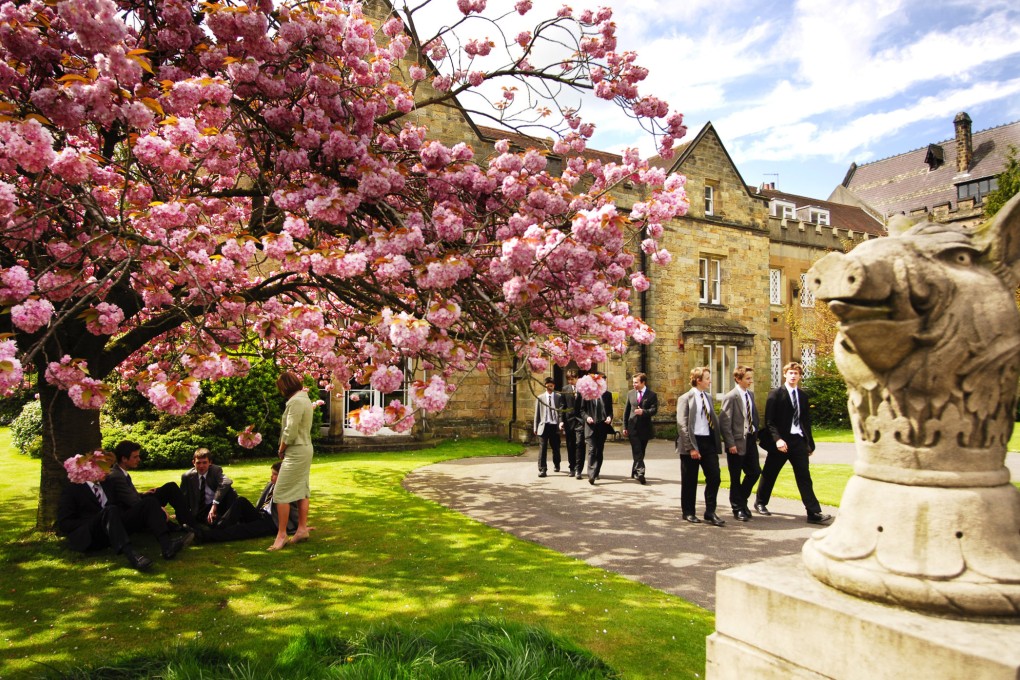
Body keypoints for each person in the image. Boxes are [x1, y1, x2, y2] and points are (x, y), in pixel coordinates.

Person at [755, 362, 833, 525]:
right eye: (790, 373)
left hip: (798, 441)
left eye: (796, 373)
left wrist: (809, 444)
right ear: (785, 374)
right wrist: (778, 440)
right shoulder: (775, 394)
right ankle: (760, 502)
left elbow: (806, 422)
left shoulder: (803, 396)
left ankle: (813, 513)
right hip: (781, 442)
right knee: (770, 473)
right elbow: (769, 421)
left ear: (799, 376)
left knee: (804, 476)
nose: (793, 376)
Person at [57, 464, 154, 572]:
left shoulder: (107, 485)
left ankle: (167, 544)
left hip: (110, 529)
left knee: (147, 502)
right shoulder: (72, 490)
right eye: (103, 469)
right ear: (91, 471)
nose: (108, 472)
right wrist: (96, 519)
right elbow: (64, 523)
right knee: (110, 510)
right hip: (90, 534)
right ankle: (132, 555)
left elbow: (120, 504)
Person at [199, 462, 299, 543]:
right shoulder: (271, 484)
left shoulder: (288, 489)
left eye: (275, 474)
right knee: (241, 501)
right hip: (261, 514)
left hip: (273, 522)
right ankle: (219, 526)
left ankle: (205, 536)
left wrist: (300, 526)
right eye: (272, 473)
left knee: (241, 529)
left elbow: (294, 510)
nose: (271, 477)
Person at [269, 370, 314, 551]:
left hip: (296, 450)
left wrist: (281, 448)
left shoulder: (295, 401)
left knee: (280, 493)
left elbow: (290, 430)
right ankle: (302, 529)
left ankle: (281, 535)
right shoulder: (304, 398)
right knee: (302, 489)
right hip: (305, 448)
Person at [677, 367, 725, 526]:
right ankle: (688, 512)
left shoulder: (708, 397)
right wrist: (691, 447)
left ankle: (710, 511)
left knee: (715, 477)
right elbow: (682, 425)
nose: (710, 381)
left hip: (707, 441)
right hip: (692, 441)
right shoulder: (685, 398)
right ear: (698, 380)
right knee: (689, 479)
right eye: (707, 378)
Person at [104, 440, 191, 528]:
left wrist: (143, 494)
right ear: (124, 459)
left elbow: (126, 495)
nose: (139, 460)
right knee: (160, 497)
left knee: (170, 488)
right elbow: (132, 502)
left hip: (137, 503)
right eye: (135, 457)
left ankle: (187, 522)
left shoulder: (121, 472)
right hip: (132, 512)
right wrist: (157, 508)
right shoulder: (117, 476)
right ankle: (187, 526)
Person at [719, 366, 762, 522]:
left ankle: (741, 500)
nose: (751, 381)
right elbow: (724, 423)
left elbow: (754, 416)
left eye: (751, 378)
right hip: (736, 442)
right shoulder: (731, 397)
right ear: (738, 379)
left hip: (750, 439)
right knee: (735, 477)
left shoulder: (750, 394)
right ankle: (737, 508)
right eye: (748, 378)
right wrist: (730, 443)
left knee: (755, 471)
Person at [180, 448, 238, 529]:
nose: (201, 466)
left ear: (210, 462)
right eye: (198, 463)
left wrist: (215, 504)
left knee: (229, 491)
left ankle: (232, 517)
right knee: (215, 524)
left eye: (204, 462)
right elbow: (183, 497)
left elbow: (227, 482)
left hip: (217, 505)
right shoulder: (187, 476)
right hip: (201, 510)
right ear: (193, 463)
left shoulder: (215, 470)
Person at [622, 372, 658, 484]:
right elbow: (626, 411)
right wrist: (624, 426)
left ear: (643, 382)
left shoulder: (652, 395)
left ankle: (635, 471)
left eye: (636, 382)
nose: (634, 384)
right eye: (633, 382)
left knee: (641, 450)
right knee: (637, 449)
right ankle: (641, 472)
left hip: (645, 427)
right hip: (632, 427)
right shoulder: (630, 393)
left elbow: (654, 410)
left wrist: (643, 412)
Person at [581, 372, 613, 485]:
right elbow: (582, 410)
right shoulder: (586, 394)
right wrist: (587, 417)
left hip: (602, 426)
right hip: (590, 427)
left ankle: (596, 471)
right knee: (592, 449)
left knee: (599, 450)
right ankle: (591, 474)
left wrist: (609, 417)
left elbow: (610, 411)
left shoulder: (607, 395)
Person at [533, 377, 562, 477]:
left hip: (554, 426)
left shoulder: (558, 397)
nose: (549, 387)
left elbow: (561, 412)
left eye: (551, 385)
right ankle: (542, 469)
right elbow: (537, 414)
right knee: (543, 448)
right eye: (547, 385)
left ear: (554, 386)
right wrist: (535, 428)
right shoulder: (540, 398)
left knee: (556, 448)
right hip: (543, 426)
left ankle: (557, 464)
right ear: (545, 386)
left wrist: (561, 423)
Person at [560, 370, 584, 479]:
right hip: (569, 421)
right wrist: (561, 421)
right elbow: (562, 406)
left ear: (577, 378)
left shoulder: (583, 389)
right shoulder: (565, 389)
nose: (570, 381)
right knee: (570, 445)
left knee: (580, 444)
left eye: (572, 379)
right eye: (568, 379)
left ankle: (579, 469)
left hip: (580, 420)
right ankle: (572, 468)